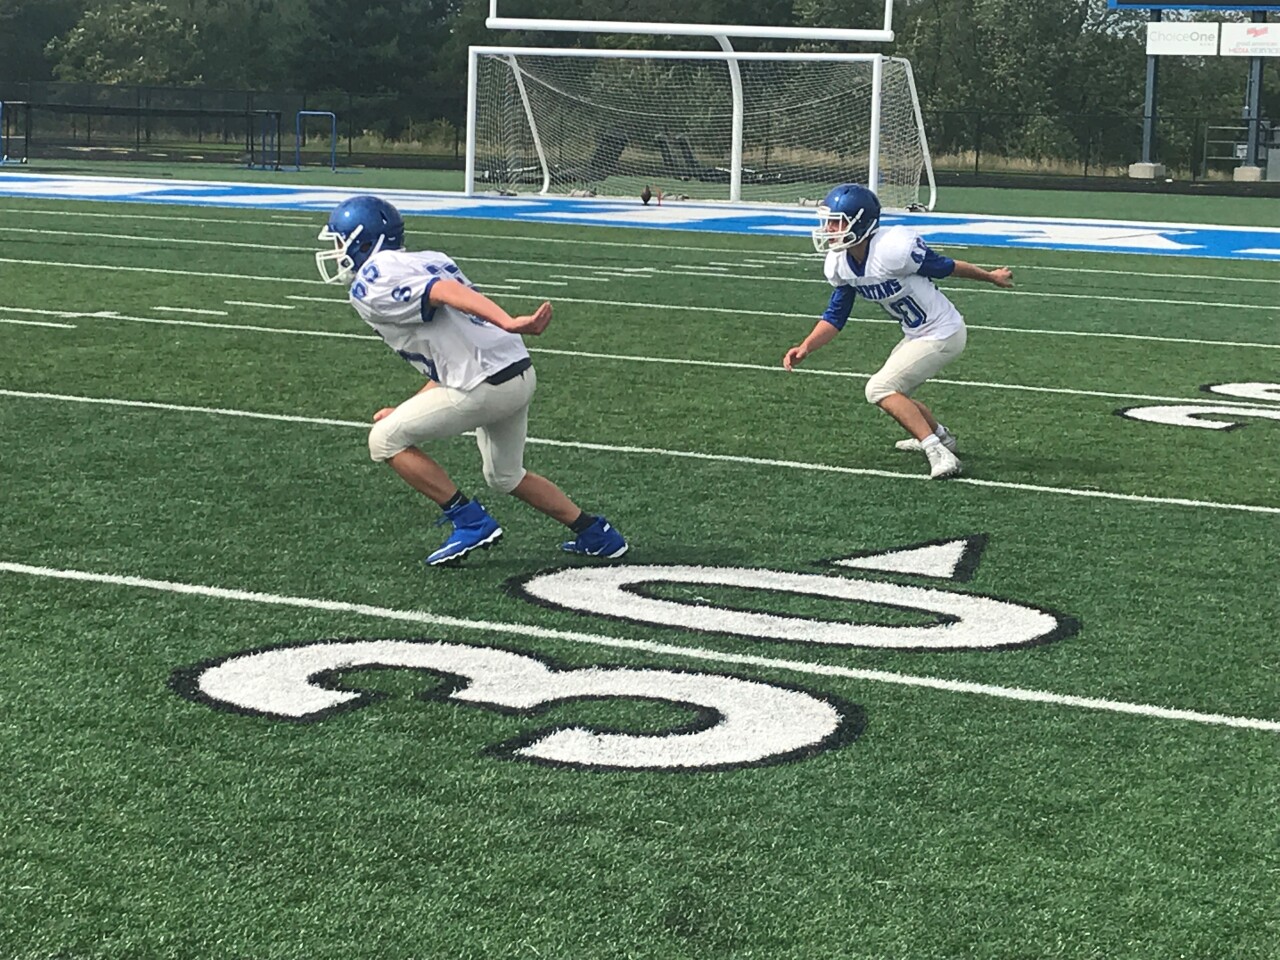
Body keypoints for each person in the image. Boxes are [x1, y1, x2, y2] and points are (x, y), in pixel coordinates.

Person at [315, 194, 628, 565]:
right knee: (504, 475)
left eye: (339, 241)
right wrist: (407, 406)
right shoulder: (428, 258)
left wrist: (508, 320)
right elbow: (449, 346)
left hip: (485, 385)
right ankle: (596, 533)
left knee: (383, 440)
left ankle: (469, 520)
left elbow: (443, 293)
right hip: (517, 374)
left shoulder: (372, 280)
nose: (336, 252)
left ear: (362, 241)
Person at [782, 183, 1014, 478]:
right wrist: (807, 346)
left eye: (837, 221)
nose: (829, 228)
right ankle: (942, 438)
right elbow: (836, 314)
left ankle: (937, 452)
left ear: (861, 222)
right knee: (893, 395)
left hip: (942, 332)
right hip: (917, 334)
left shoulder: (893, 249)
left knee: (879, 388)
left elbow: (946, 266)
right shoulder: (841, 262)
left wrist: (990, 276)